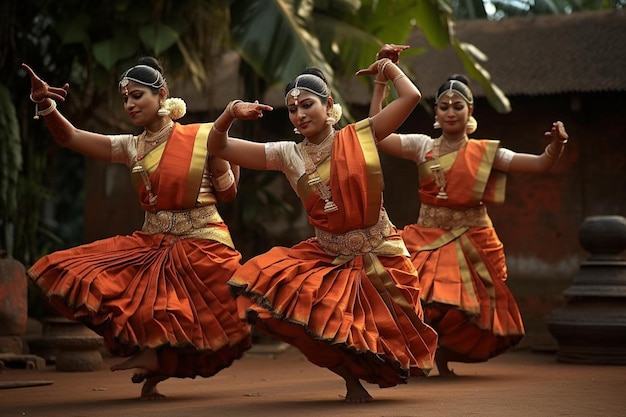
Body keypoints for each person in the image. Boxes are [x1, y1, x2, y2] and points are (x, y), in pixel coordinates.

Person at [206, 48, 438, 403]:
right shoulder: (287, 154)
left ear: (329, 106)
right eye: (293, 109)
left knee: (393, 333)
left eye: (307, 105)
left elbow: (412, 97)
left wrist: (387, 68)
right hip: (328, 255)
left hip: (381, 251)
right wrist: (229, 115)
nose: (299, 114)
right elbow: (219, 147)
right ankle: (350, 381)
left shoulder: (361, 135)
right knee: (311, 314)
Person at [22, 57, 252, 399]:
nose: (129, 104)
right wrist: (46, 105)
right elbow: (70, 137)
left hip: (203, 245)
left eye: (137, 96)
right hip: (152, 242)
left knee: (193, 314)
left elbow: (229, 194)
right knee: (79, 273)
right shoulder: (132, 146)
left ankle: (155, 362)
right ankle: (153, 362)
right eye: (126, 98)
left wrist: (221, 157)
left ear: (161, 97)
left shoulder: (203, 137)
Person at [370, 52, 570, 376]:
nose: (451, 112)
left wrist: (556, 147)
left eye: (458, 106)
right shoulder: (422, 146)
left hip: (471, 238)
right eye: (444, 106)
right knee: (419, 297)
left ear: (470, 111)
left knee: (460, 305)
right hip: (428, 238)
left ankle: (444, 356)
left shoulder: (487, 153)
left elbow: (538, 164)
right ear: (436, 112)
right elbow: (376, 134)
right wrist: (381, 83)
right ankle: (418, 354)